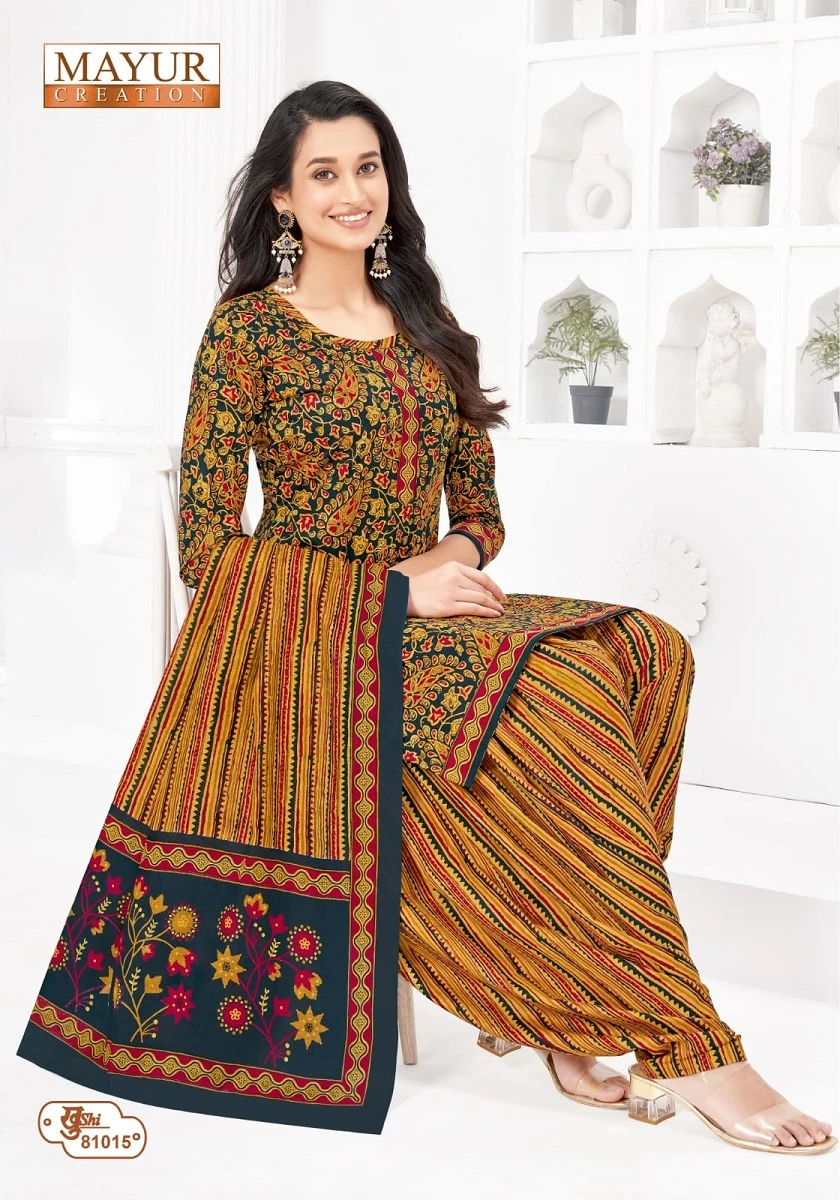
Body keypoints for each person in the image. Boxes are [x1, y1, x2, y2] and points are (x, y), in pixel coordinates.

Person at [16, 80, 834, 1155]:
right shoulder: (248, 334)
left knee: (643, 648)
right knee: (553, 701)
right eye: (324, 173)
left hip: (434, 614)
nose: (352, 191)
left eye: (368, 167)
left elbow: (481, 515)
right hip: (310, 644)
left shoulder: (427, 329)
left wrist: (444, 564)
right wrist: (393, 592)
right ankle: (688, 1042)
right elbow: (210, 548)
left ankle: (560, 1001)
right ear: (282, 199)